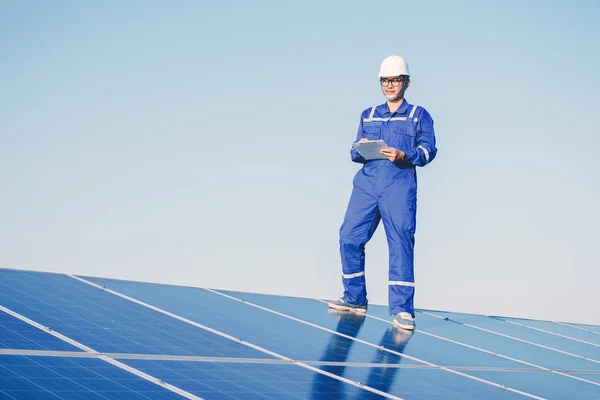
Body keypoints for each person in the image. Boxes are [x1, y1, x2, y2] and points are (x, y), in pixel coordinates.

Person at [328, 55, 437, 330]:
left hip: (399, 185)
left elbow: (428, 150)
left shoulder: (418, 115)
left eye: (395, 80)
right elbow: (354, 152)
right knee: (348, 237)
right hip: (366, 185)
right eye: (385, 80)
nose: (390, 85)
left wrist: (404, 154)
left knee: (400, 243)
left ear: (406, 83)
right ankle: (354, 298)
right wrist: (361, 146)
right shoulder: (369, 114)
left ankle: (402, 310)